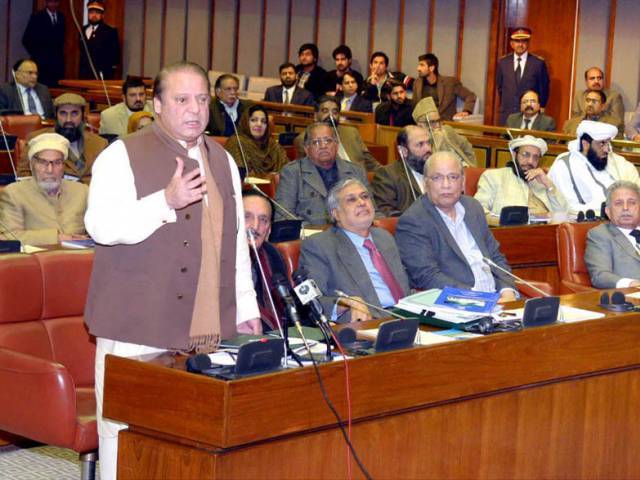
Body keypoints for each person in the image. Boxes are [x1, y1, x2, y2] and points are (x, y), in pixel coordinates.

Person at [84, 61, 261, 480]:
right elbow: (100, 227)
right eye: (181, 100)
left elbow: (234, 243)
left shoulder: (223, 161)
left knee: (196, 440)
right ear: (158, 104)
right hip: (135, 327)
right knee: (124, 435)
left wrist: (246, 306)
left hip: (205, 327)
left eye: (202, 99)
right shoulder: (120, 155)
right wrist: (165, 200)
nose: (194, 110)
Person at [396, 151, 517, 302]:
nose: (446, 185)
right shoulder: (414, 220)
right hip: (460, 303)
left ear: (462, 181)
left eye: (453, 177)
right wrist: (476, 298)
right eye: (437, 178)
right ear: (426, 183)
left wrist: (507, 291)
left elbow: (494, 256)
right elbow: (427, 276)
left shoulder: (473, 207)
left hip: (497, 298)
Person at [300, 178, 409, 322]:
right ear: (336, 214)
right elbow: (309, 301)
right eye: (351, 200)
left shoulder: (384, 237)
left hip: (408, 318)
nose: (362, 202)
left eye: (365, 196)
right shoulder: (319, 246)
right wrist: (343, 304)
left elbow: (407, 289)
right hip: (369, 324)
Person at [0, 133, 88, 246]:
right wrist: (56, 238)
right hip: (35, 260)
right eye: (43, 163)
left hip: (80, 258)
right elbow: (8, 237)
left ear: (64, 166)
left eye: (57, 163)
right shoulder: (14, 193)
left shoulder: (82, 191)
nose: (50, 170)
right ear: (32, 165)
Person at [275, 122, 369, 224]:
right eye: (316, 142)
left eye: (328, 141)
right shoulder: (292, 172)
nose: (323, 146)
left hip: (351, 232)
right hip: (311, 235)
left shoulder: (356, 171)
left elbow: (372, 211)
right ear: (306, 149)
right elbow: (283, 218)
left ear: (336, 145)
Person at [549, 120, 639, 215]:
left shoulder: (618, 162)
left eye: (608, 143)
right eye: (602, 143)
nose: (607, 149)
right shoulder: (564, 166)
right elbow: (567, 207)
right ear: (585, 144)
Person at [474, 135, 567, 224]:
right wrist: (503, 222)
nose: (530, 161)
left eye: (535, 157)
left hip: (546, 231)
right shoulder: (494, 176)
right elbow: (478, 210)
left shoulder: (541, 181)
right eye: (525, 155)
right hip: (513, 232)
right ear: (514, 155)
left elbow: (564, 213)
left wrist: (548, 184)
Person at [17, 93, 108, 183]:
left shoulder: (100, 143)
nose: (68, 120)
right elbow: (23, 175)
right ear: (56, 115)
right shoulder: (38, 139)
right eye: (63, 113)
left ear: (83, 115)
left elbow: (109, 175)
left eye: (74, 113)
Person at [293, 95, 380, 172]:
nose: (330, 116)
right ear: (315, 116)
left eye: (335, 112)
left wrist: (386, 173)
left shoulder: (352, 132)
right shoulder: (304, 139)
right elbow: (306, 173)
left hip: (360, 182)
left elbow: (370, 162)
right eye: (325, 111)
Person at [243, 190, 289, 332]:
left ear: (269, 230)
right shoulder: (217, 259)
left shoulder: (272, 255)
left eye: (263, 220)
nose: (255, 226)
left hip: (275, 335)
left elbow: (286, 303)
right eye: (247, 217)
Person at [585, 181, 640, 288]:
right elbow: (600, 276)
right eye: (619, 203)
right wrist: (632, 284)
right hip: (630, 297)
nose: (625, 208)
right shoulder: (600, 235)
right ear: (608, 211)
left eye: (632, 202)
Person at [371, 125, 431, 216]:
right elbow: (386, 211)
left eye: (429, 143)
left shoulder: (437, 171)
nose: (428, 149)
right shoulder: (387, 175)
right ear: (403, 151)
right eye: (420, 144)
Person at [496, 27, 549, 126]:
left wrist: (541, 108)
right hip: (507, 114)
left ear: (528, 43)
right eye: (517, 41)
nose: (520, 44)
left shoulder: (538, 63)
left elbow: (543, 90)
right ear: (511, 44)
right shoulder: (503, 62)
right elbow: (500, 88)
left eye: (524, 41)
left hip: (530, 114)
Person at [224, 104, 288, 175]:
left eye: (263, 121)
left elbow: (288, 170)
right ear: (246, 122)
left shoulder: (272, 145)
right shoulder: (236, 142)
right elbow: (239, 174)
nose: (259, 124)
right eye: (254, 120)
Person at [412, 96, 477, 167]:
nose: (437, 125)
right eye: (432, 122)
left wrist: (471, 164)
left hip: (463, 168)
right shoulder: (417, 142)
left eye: (438, 121)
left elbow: (466, 146)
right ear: (420, 125)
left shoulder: (447, 130)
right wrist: (437, 142)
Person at [411, 53, 476, 121]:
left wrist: (466, 111)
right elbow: (415, 105)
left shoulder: (450, 83)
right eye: (418, 65)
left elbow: (470, 96)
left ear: (432, 68)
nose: (418, 68)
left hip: (444, 123)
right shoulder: (417, 83)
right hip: (423, 124)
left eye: (422, 65)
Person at [21, 0, 65, 87]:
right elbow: (26, 40)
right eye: (51, 2)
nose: (53, 4)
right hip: (41, 64)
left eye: (55, 2)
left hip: (57, 65)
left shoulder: (61, 17)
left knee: (55, 91)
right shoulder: (37, 17)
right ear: (46, 3)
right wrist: (37, 55)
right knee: (41, 90)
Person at [78, 1, 120, 80]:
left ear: (102, 15)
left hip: (102, 74)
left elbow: (115, 56)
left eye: (97, 13)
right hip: (85, 74)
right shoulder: (82, 30)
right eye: (91, 12)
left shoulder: (110, 31)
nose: (94, 15)